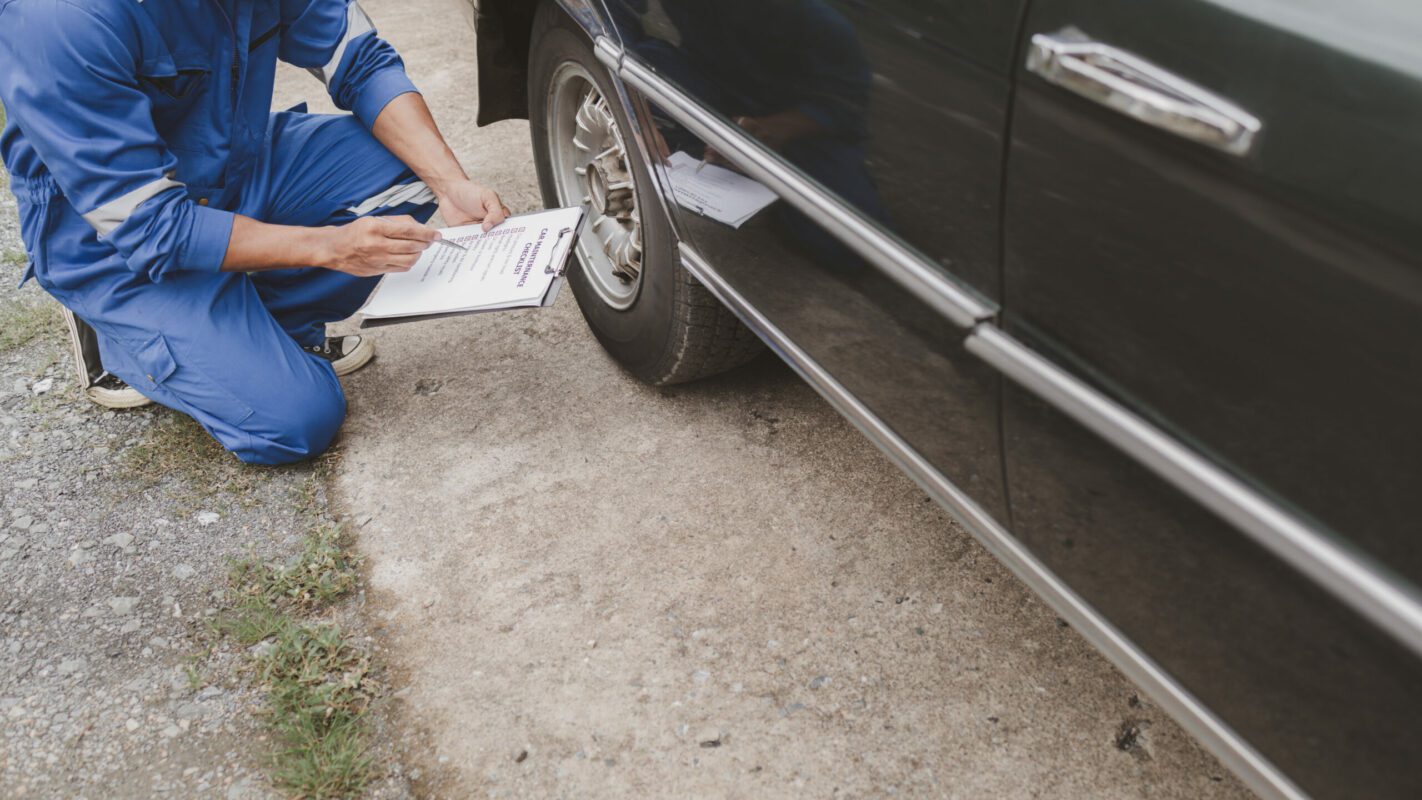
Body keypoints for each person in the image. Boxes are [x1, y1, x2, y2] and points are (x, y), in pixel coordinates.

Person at [0, 0, 508, 464]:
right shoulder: (61, 18)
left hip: (233, 168)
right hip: (115, 240)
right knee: (296, 422)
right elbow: (149, 225)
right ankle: (117, 338)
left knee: (411, 170)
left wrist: (450, 182)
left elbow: (360, 59)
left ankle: (265, 325)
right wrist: (332, 248)